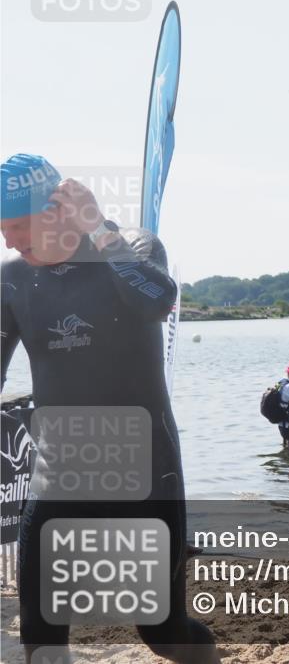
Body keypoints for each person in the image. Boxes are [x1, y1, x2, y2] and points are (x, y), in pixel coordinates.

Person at [0, 155, 219, 663]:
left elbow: (156, 302)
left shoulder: (134, 247)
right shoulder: (11, 279)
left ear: (56, 211)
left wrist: (99, 229)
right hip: (56, 477)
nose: (8, 240)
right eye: (2, 229)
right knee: (40, 635)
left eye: (16, 227)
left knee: (162, 633)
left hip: (142, 473)